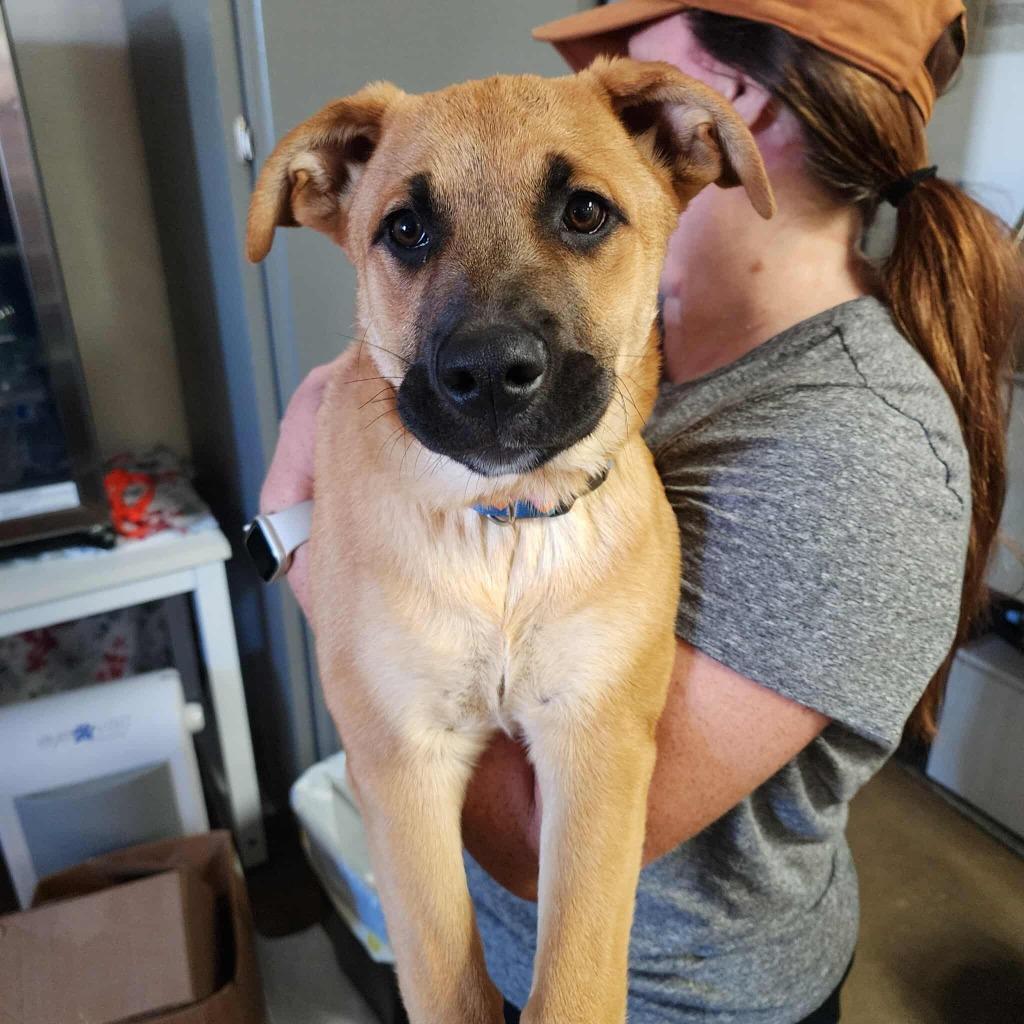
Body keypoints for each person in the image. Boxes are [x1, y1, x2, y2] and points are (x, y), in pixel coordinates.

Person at [259, 1, 1023, 1021]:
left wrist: (300, 534)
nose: (489, 352)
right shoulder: (666, 339)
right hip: (490, 949)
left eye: (579, 213)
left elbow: (540, 836)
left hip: (695, 1002)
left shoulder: (859, 454)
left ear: (714, 105)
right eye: (410, 229)